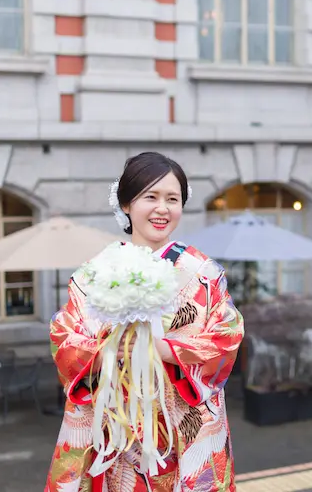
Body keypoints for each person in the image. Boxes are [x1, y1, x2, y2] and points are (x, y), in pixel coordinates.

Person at [45, 152, 244, 492]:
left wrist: (164, 349)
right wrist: (110, 348)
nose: (162, 209)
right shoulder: (95, 272)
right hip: (114, 432)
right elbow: (63, 337)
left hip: (184, 430)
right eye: (150, 197)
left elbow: (227, 337)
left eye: (172, 199)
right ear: (125, 203)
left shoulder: (204, 273)